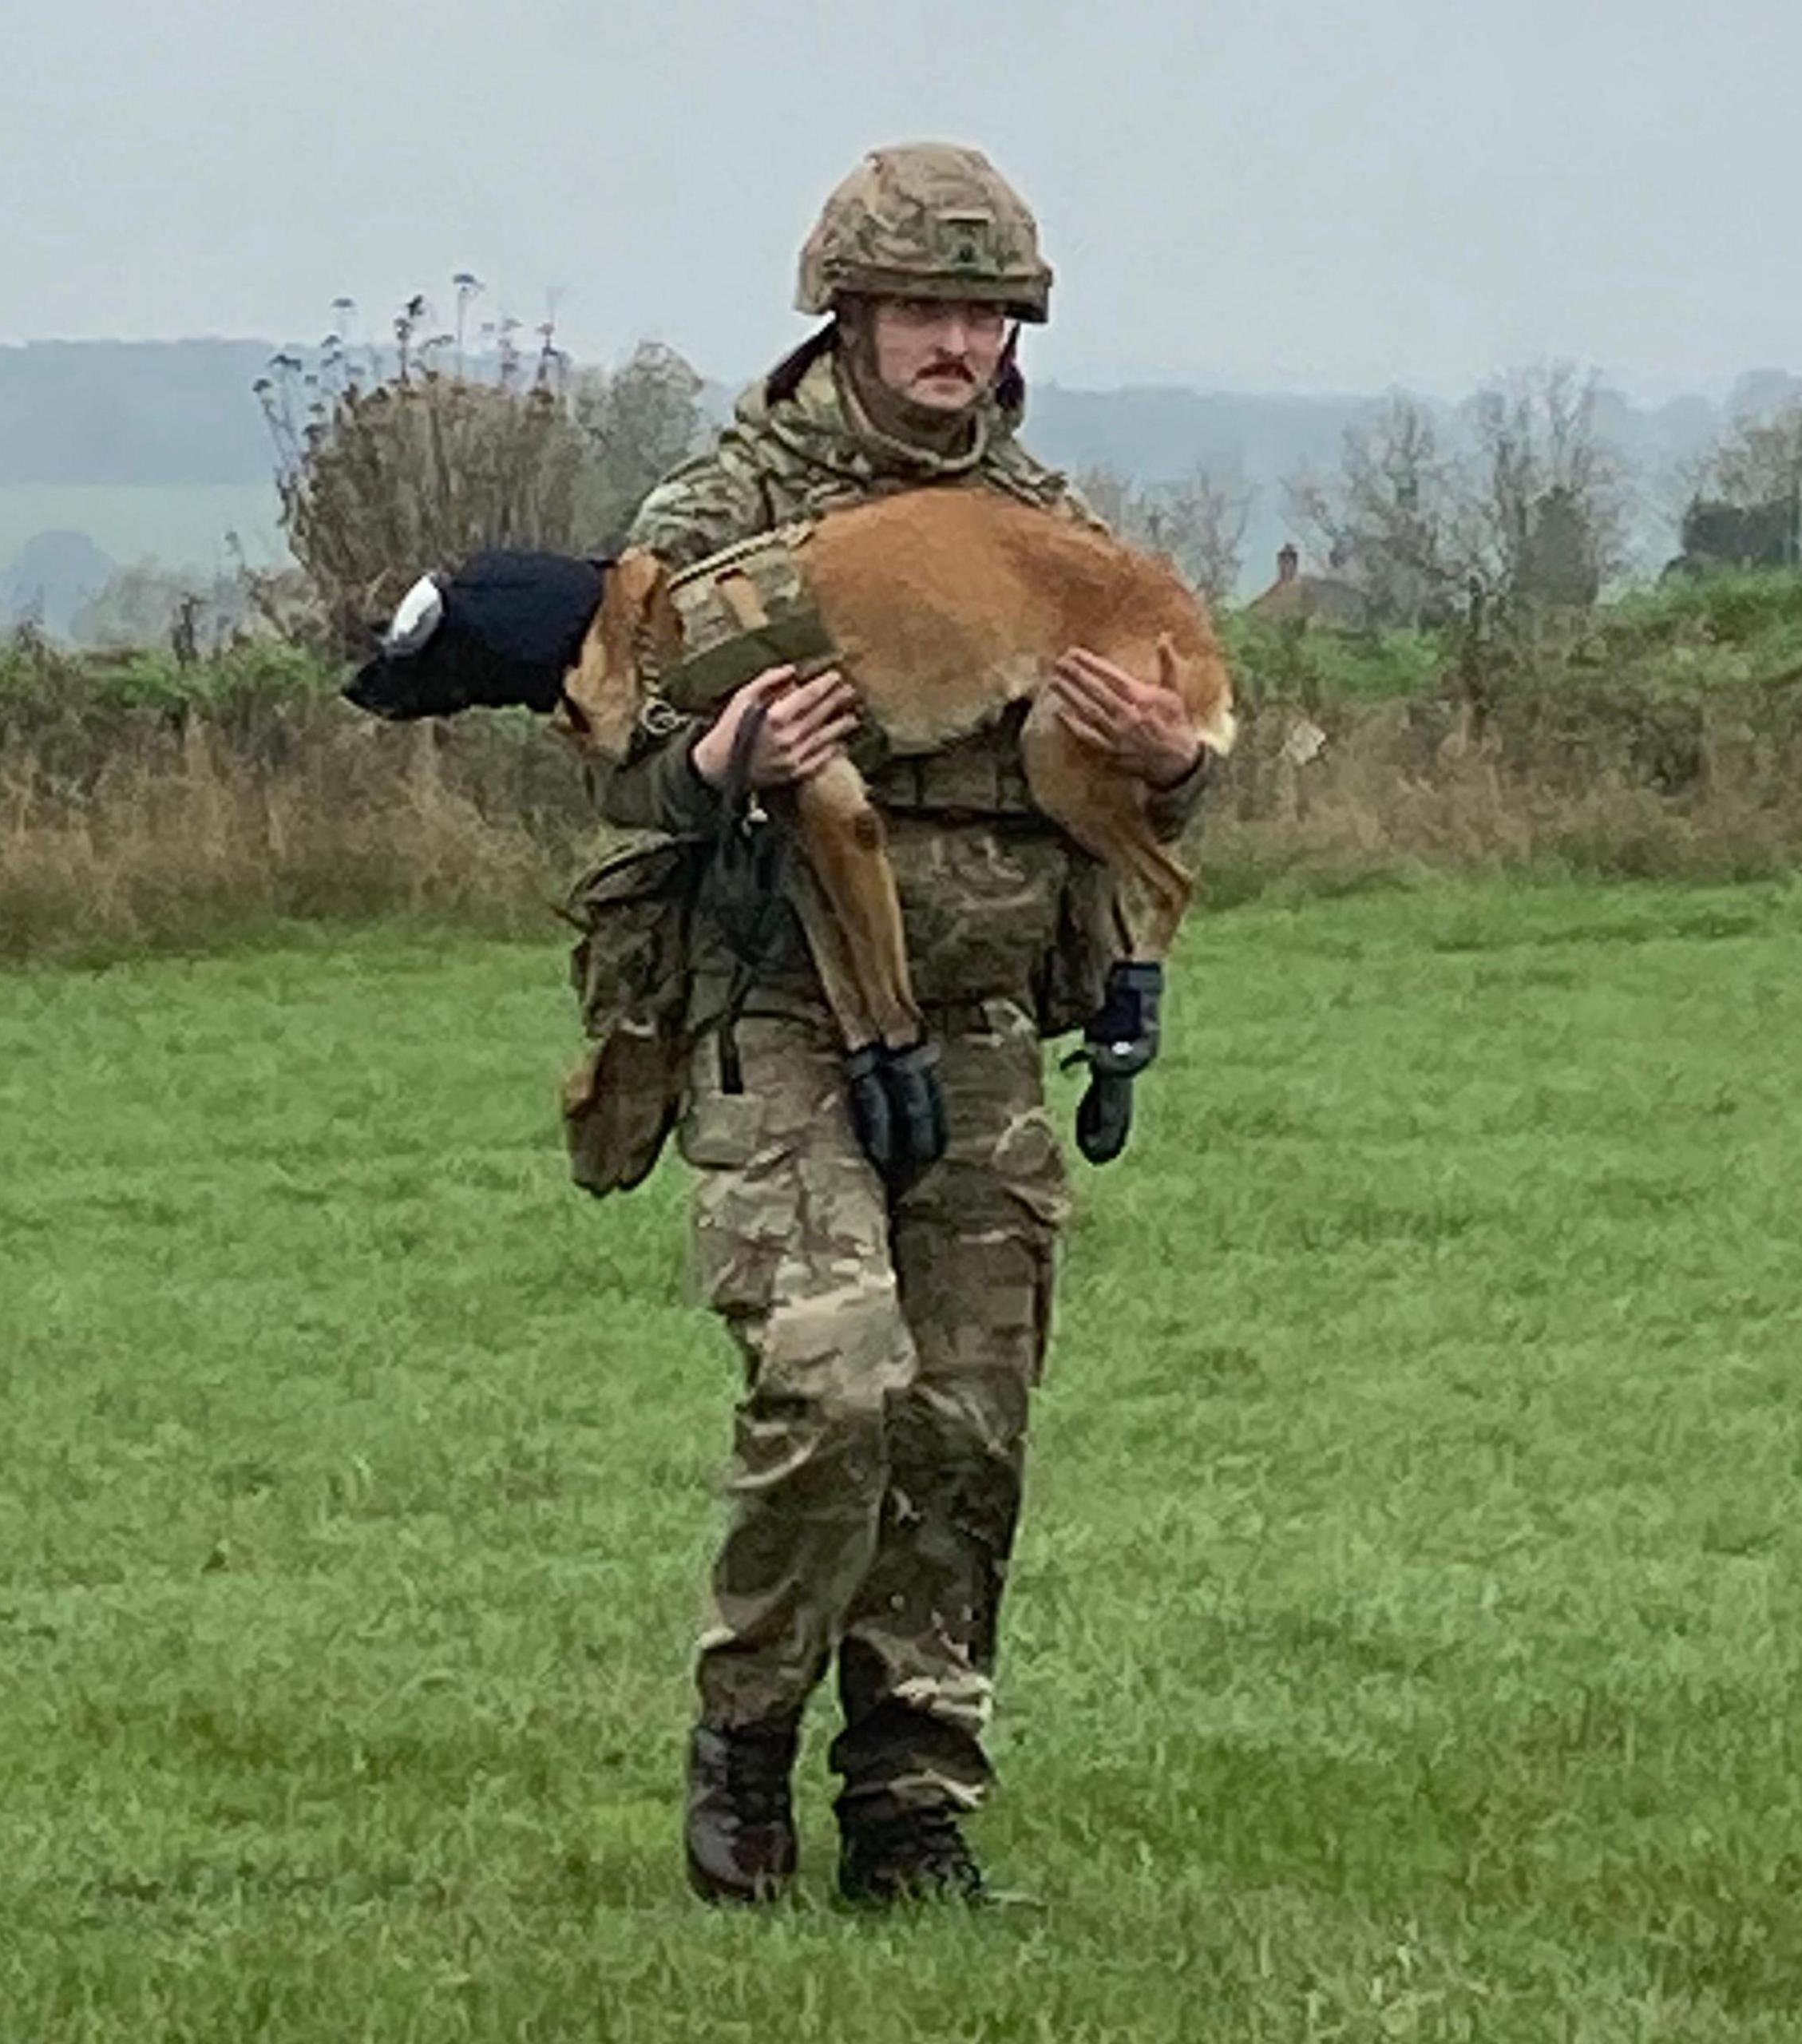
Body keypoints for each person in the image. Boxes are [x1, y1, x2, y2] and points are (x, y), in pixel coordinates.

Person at [591, 141, 1214, 1906]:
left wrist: (1173, 773)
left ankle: (913, 1804)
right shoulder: (718, 516)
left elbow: (1149, 794)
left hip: (989, 1019)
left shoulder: (1049, 523)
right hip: (776, 1006)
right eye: (921, 308)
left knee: (963, 1423)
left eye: (983, 311)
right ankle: (744, 1739)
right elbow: (603, 755)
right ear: (845, 317)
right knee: (831, 1378)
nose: (955, 342)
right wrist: (714, 761)